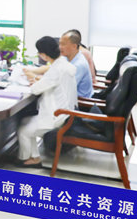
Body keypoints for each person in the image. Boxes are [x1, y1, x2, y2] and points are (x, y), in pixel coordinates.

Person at [16, 36, 77, 167]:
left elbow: (36, 90)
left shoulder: (56, 69)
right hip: (66, 112)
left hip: (57, 116)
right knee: (25, 121)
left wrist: (34, 80)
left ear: (43, 55)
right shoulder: (63, 64)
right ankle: (33, 156)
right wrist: (38, 80)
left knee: (24, 131)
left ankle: (28, 159)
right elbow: (51, 82)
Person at [59, 30, 93, 99]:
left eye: (63, 44)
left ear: (74, 46)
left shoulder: (79, 65)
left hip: (80, 101)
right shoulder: (68, 57)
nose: (60, 47)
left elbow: (64, 88)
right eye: (59, 44)